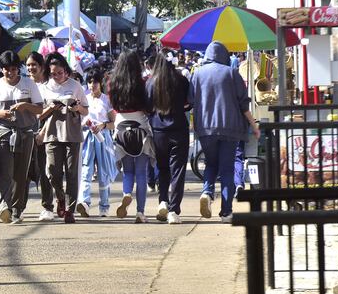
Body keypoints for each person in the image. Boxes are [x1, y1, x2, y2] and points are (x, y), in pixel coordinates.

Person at [189, 41, 259, 223]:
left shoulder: (197, 74)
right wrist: (254, 125)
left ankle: (207, 191)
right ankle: (226, 212)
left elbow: (190, 101)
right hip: (230, 127)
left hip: (205, 127)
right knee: (227, 169)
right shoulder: (232, 73)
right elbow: (244, 103)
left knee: (211, 164)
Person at [0, 51, 43, 224]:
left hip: (25, 133)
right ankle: (4, 207)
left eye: (14, 69)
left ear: (19, 69)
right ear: (1, 69)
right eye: (7, 69)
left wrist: (25, 106)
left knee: (21, 174)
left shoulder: (29, 84)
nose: (10, 72)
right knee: (4, 171)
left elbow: (40, 109)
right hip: (2, 133)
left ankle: (17, 209)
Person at [38, 53, 88, 223]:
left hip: (72, 133)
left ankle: (69, 210)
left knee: (72, 172)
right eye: (53, 73)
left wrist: (76, 107)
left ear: (66, 71)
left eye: (60, 72)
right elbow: (39, 115)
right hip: (51, 133)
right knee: (52, 171)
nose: (57, 76)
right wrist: (51, 107)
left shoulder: (75, 86)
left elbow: (85, 110)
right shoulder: (44, 87)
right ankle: (60, 196)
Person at [109, 49, 155, 223]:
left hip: (120, 128)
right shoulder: (143, 83)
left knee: (128, 171)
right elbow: (148, 107)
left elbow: (113, 105)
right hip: (140, 128)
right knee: (141, 172)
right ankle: (140, 212)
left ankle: (127, 193)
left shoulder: (112, 82)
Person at [147, 50, 190, 224]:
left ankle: (163, 200)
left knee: (162, 168)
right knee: (178, 171)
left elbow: (148, 105)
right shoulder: (182, 80)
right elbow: (189, 103)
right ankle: (174, 210)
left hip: (158, 129)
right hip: (179, 128)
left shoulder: (151, 82)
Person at [77, 69, 117, 217]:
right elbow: (78, 120)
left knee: (103, 172)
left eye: (95, 81)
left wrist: (103, 125)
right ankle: (84, 202)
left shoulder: (107, 100)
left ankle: (104, 206)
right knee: (86, 170)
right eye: (89, 81)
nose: (92, 85)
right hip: (87, 137)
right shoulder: (84, 99)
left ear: (100, 83)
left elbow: (114, 123)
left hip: (103, 138)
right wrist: (85, 124)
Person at [25, 52, 56, 221]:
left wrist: (43, 132)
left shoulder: (48, 87)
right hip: (25, 132)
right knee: (23, 171)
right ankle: (19, 207)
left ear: (42, 67)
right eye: (28, 65)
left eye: (34, 65)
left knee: (45, 171)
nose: (31, 68)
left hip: (45, 134)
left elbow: (52, 113)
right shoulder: (24, 85)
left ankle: (47, 206)